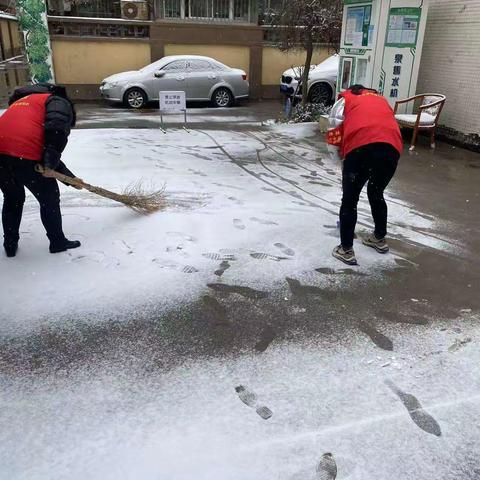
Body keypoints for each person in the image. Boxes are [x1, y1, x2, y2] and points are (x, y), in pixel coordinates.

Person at [0, 83, 82, 257]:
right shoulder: (59, 102)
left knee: (12, 198)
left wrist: (70, 178)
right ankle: (57, 242)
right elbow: (56, 131)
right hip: (23, 155)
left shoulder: (25, 101)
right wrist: (49, 165)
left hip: (1, 156)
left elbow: (43, 151)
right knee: (49, 198)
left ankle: (10, 244)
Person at [329, 84, 403, 265]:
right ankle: (379, 238)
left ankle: (346, 249)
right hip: (391, 148)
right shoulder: (380, 100)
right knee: (376, 192)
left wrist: (338, 157)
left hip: (361, 147)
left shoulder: (345, 99)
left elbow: (334, 128)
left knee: (350, 200)